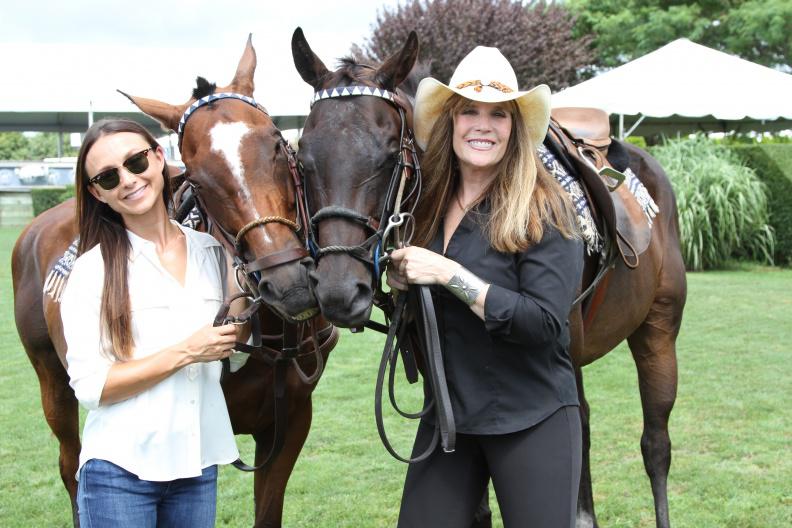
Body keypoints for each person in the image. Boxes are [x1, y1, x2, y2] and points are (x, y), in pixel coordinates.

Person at [387, 47, 584, 527]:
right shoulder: (426, 202)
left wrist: (446, 273)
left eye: (498, 114)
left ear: (514, 128)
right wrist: (402, 282)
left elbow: (541, 323)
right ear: (451, 121)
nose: (483, 125)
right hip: (450, 418)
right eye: (470, 111)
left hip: (530, 417)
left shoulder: (545, 208)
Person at [61, 119, 240, 527]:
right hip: (119, 473)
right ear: (97, 193)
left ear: (159, 157)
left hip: (196, 467)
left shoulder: (212, 252)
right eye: (108, 177)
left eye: (135, 161)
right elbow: (92, 387)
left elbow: (234, 345)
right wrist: (186, 351)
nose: (127, 180)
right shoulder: (92, 272)